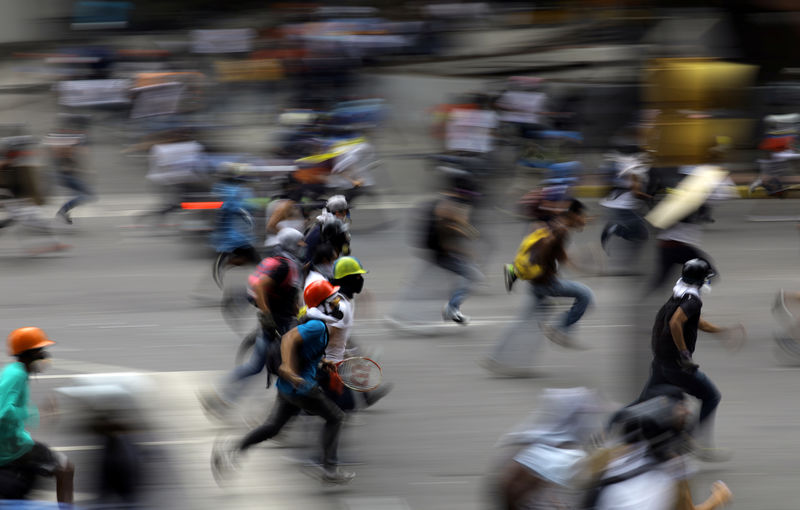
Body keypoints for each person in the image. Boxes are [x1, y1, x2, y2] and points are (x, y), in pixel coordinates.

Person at [211, 280, 354, 485]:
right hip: (301, 388)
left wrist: (324, 362)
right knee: (335, 418)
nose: (336, 303)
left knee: (272, 428)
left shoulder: (313, 320)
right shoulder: (316, 325)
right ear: (322, 303)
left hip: (287, 388)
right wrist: (287, 367)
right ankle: (329, 469)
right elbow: (289, 339)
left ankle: (230, 450)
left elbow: (305, 352)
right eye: (332, 300)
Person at [636, 258, 744, 461]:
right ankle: (688, 438)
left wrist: (720, 331)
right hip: (677, 364)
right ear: (701, 280)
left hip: (661, 359)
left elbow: (691, 320)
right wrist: (684, 353)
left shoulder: (680, 292)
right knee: (711, 396)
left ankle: (609, 431)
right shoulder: (693, 300)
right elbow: (677, 321)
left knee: (643, 400)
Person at [199, 228, 304, 417]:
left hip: (275, 324)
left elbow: (290, 296)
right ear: (291, 244)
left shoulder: (281, 261)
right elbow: (261, 285)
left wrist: (300, 313)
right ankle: (278, 416)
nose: (302, 246)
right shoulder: (285, 266)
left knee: (256, 366)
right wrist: (267, 315)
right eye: (299, 243)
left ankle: (221, 396)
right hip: (279, 326)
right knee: (291, 368)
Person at [590, 386, 733, 510]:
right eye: (681, 405)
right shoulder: (675, 468)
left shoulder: (609, 455)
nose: (688, 411)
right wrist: (719, 498)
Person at [502, 198, 594, 348]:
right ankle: (560, 328)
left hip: (537, 281)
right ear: (573, 215)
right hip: (545, 283)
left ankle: (497, 356)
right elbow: (550, 248)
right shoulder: (561, 231)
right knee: (586, 295)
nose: (584, 219)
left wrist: (580, 266)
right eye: (582, 216)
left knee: (530, 319)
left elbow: (561, 256)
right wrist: (541, 267)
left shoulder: (556, 224)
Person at [0, 327, 74, 503]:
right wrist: (33, 412)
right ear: (28, 354)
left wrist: (33, 413)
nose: (43, 356)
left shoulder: (17, 372)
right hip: (13, 447)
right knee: (64, 468)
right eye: (39, 351)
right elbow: (3, 412)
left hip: (13, 442)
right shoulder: (16, 375)